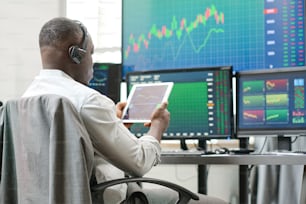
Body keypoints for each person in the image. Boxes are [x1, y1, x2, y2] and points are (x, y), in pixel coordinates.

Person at [22, 17, 227, 204]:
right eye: (91, 53)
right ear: (76, 54)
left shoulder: (25, 100)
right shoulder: (88, 100)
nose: (92, 62)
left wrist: (116, 125)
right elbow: (138, 163)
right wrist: (157, 128)